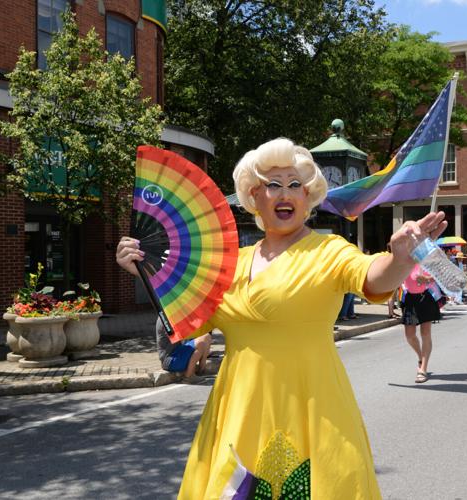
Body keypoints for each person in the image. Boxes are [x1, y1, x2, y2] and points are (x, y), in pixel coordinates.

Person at [116, 138, 447, 498]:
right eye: (273, 185)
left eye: (295, 185)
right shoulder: (230, 261)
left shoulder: (328, 250)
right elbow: (192, 312)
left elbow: (372, 276)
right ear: (254, 196)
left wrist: (399, 259)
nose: (285, 193)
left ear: (308, 197)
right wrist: (142, 269)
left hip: (312, 406)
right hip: (238, 407)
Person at [401, 264, 440, 383]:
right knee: (409, 335)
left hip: (425, 298)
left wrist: (427, 279)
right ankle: (420, 357)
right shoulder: (404, 260)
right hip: (409, 299)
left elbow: (439, 275)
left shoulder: (427, 259)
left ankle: (423, 369)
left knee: (425, 333)